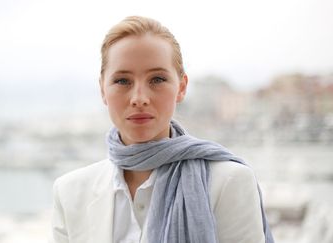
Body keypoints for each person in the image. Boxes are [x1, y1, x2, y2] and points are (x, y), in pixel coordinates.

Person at [51, 16, 274, 243]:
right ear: (102, 89)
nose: (139, 98)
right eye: (122, 81)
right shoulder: (69, 192)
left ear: (181, 87)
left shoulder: (229, 182)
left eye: (157, 79)